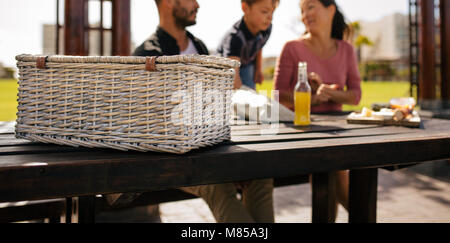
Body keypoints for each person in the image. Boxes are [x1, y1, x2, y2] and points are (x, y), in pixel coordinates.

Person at [273, 0, 362, 222]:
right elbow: (279, 94)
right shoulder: (292, 48)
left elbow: (355, 95)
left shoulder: (347, 50)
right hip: (304, 131)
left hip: (338, 132)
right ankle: (365, 216)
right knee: (334, 174)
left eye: (310, 7)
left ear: (330, 9)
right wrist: (311, 99)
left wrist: (329, 93)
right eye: (302, 10)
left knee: (331, 176)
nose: (305, 15)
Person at [217, 0, 279, 90]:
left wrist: (258, 69)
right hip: (225, 66)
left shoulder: (266, 29)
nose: (270, 17)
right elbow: (233, 75)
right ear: (245, 8)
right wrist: (238, 90)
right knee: (236, 93)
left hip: (246, 64)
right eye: (264, 12)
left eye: (272, 12)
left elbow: (259, 46)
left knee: (250, 91)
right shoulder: (235, 37)